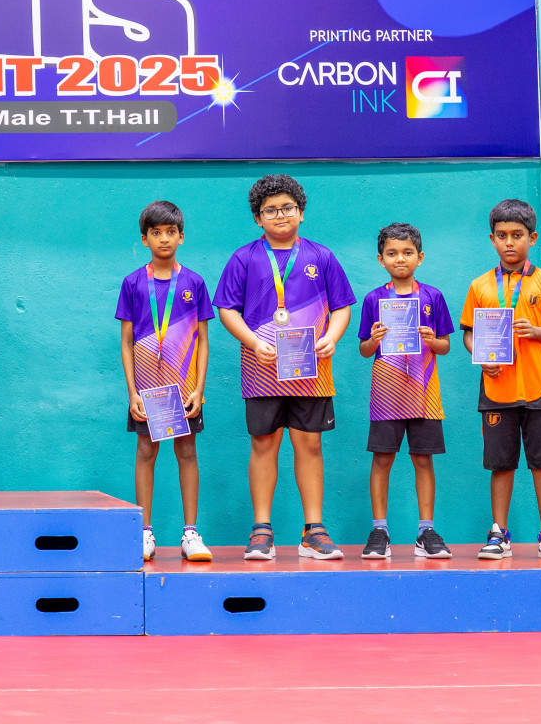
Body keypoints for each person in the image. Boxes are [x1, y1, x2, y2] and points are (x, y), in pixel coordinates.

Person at [215, 174, 354, 561]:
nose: (280, 215)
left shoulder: (321, 256)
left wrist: (332, 337)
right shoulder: (244, 258)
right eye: (270, 210)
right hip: (262, 368)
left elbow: (342, 306)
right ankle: (262, 530)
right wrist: (253, 342)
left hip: (312, 370)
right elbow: (226, 308)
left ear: (301, 212)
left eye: (287, 208)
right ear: (258, 219)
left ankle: (314, 531)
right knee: (263, 444)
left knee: (309, 444)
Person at [461, 199, 541, 561]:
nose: (510, 242)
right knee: (501, 463)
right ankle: (499, 533)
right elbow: (467, 333)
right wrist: (480, 358)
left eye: (517, 235)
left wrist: (537, 331)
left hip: (540, 388)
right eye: (502, 235)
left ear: (532, 237)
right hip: (497, 390)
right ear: (492, 239)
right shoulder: (480, 286)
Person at [114, 200, 213, 562]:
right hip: (147, 390)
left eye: (171, 232)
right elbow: (126, 342)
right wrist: (132, 393)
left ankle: (190, 534)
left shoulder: (194, 283)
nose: (164, 239)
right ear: (144, 240)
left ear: (181, 237)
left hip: (184, 388)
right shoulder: (132, 283)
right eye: (156, 233)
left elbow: (203, 341)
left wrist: (199, 389)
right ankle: (144, 533)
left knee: (187, 452)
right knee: (146, 452)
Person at [356, 223, 455, 559]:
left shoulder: (432, 296)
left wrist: (432, 340)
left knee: (423, 459)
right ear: (381, 259)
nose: (400, 259)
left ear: (420, 257)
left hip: (425, 395)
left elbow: (445, 346)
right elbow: (364, 350)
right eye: (392, 253)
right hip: (387, 396)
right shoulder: (374, 299)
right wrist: (374, 339)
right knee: (382, 459)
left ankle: (425, 531)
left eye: (407, 252)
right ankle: (379, 530)